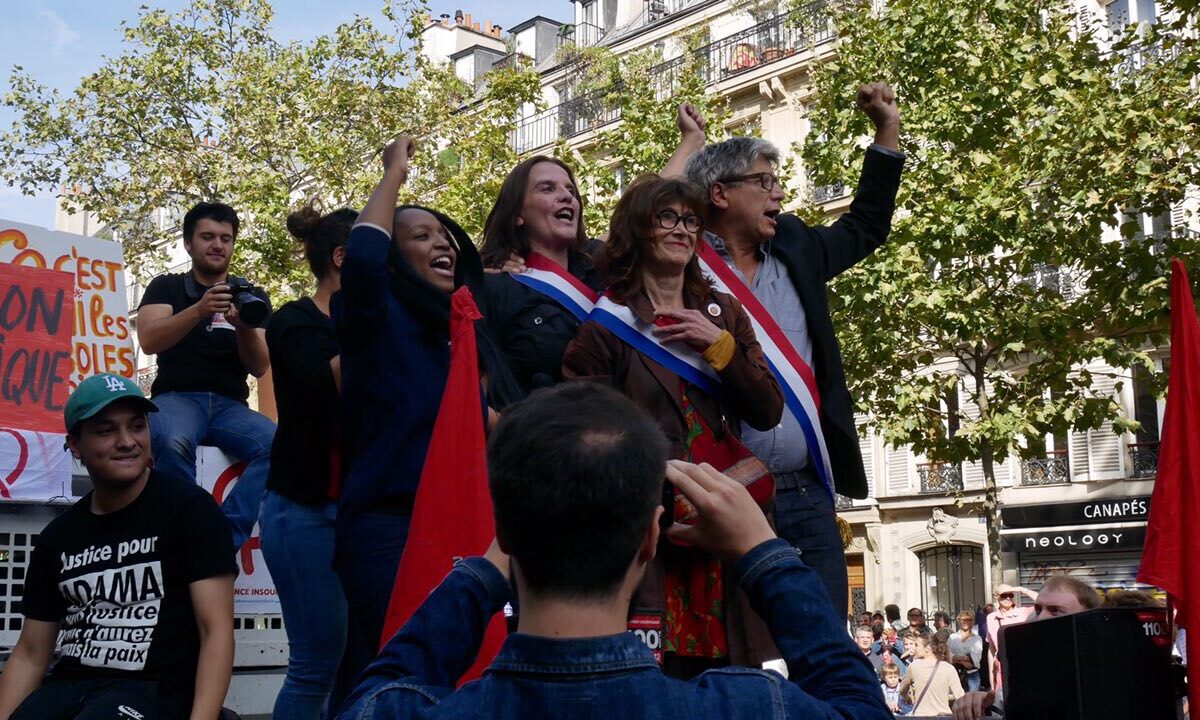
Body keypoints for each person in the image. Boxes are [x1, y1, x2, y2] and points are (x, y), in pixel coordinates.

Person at [335, 381, 892, 719]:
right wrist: (763, 552)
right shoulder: (748, 706)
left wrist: (481, 575)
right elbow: (859, 705)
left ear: (504, 535)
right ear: (651, 538)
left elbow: (378, 689)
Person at [683, 82, 903, 614]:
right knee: (744, 650)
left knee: (825, 643)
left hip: (807, 491)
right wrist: (691, 145)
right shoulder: (681, 265)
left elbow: (868, 225)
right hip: (729, 490)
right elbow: (637, 223)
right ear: (720, 194)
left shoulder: (798, 246)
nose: (778, 193)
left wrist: (886, 131)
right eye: (764, 182)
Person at [562, 174, 784, 677]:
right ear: (639, 229)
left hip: (725, 518)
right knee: (659, 683)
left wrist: (720, 348)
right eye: (668, 218)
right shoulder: (604, 328)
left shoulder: (723, 312)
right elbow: (583, 437)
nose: (683, 230)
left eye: (690, 221)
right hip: (652, 530)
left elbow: (768, 410)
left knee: (734, 680)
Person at [330, 137, 519, 707]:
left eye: (445, 235)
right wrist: (394, 172)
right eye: (421, 234)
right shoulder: (373, 318)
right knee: (392, 678)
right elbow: (363, 255)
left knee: (463, 681)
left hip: (467, 532)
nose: (442, 242)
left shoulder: (462, 338)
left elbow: (491, 426)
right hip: (390, 530)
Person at [0, 374, 236, 720]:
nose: (127, 441)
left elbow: (215, 632)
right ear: (75, 445)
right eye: (106, 430)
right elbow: (31, 654)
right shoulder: (58, 537)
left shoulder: (190, 510)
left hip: (154, 692)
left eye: (137, 426)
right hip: (70, 688)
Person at [480, 104, 708, 394]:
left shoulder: (602, 263)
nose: (565, 196)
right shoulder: (494, 285)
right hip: (549, 430)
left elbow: (648, 204)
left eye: (571, 191)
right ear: (517, 215)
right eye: (547, 189)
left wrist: (692, 141)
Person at [260, 207, 356, 719]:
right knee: (317, 665)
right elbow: (325, 384)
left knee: (357, 664)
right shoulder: (293, 320)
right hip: (305, 512)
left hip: (362, 513)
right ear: (343, 258)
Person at [136, 201, 277, 550]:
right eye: (208, 237)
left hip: (231, 406)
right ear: (188, 244)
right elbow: (150, 340)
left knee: (279, 446)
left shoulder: (250, 296)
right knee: (171, 441)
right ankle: (184, 534)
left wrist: (243, 327)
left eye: (226, 238)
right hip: (177, 397)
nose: (218, 245)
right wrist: (199, 310)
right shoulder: (166, 286)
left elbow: (260, 366)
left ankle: (220, 539)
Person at [952, 575, 1100, 720]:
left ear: (1087, 619)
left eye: (1055, 611)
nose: (1041, 618)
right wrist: (981, 701)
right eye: (1038, 609)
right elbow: (1009, 696)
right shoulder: (1029, 668)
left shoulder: (1103, 671)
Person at [984, 584, 1038, 693]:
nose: (1008, 598)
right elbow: (992, 649)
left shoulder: (1024, 612)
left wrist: (1020, 589)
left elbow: (1044, 602)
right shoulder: (991, 618)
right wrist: (992, 679)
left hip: (1024, 668)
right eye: (1004, 595)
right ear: (996, 596)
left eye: (1011, 595)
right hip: (1002, 670)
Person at [899, 632, 964, 716]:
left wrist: (907, 697)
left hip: (921, 715)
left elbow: (902, 689)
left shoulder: (914, 666)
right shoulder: (949, 668)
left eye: (917, 645)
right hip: (944, 715)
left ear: (928, 648)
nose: (914, 648)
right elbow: (960, 696)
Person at [949, 610, 984, 692]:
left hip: (972, 674)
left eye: (968, 620)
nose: (965, 622)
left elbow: (977, 657)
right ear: (958, 621)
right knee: (957, 700)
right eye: (962, 620)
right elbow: (948, 655)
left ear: (972, 622)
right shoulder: (952, 637)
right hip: (955, 673)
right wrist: (963, 662)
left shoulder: (977, 638)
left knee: (972, 701)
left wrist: (957, 658)